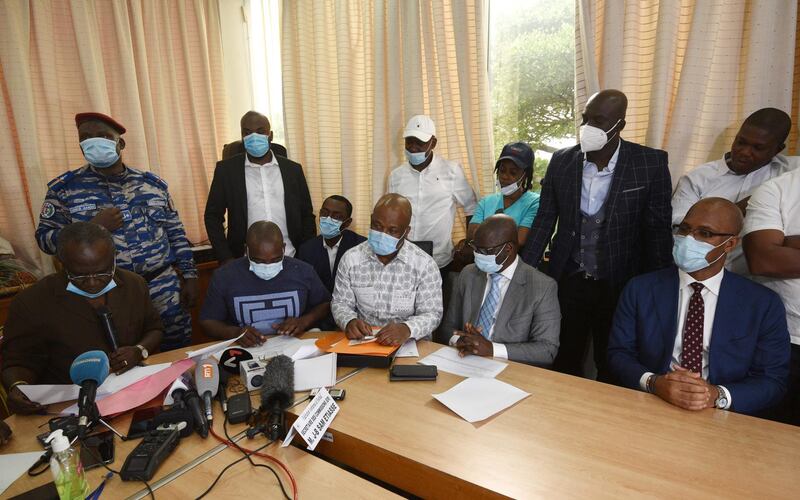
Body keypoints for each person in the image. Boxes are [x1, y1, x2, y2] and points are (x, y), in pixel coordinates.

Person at [521, 89, 673, 382]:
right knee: (564, 356)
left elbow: (657, 231)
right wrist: (525, 273)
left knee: (614, 360)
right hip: (568, 278)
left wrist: (659, 287)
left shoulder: (649, 164)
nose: (588, 127)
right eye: (585, 119)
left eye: (599, 120)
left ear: (619, 125)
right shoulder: (562, 161)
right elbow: (544, 220)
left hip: (621, 282)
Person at [609, 198, 789, 415]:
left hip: (722, 415)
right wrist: (655, 383)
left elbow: (772, 380)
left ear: (730, 244)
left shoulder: (762, 304)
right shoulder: (641, 288)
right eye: (684, 229)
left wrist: (715, 395)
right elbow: (619, 354)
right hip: (651, 404)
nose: (688, 239)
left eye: (704, 233)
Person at [35, 112, 196, 350]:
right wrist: (92, 227)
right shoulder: (64, 190)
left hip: (162, 287)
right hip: (106, 291)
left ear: (120, 143)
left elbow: (176, 234)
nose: (94, 141)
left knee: (176, 350)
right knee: (118, 356)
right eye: (86, 137)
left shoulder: (151, 185)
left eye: (103, 136)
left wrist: (190, 276)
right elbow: (44, 240)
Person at [3, 222, 163, 415]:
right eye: (79, 275)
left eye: (103, 272)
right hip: (70, 406)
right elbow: (18, 360)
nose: (93, 282)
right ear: (61, 263)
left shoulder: (134, 284)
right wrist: (18, 386)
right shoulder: (31, 302)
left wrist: (139, 350)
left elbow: (155, 329)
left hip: (134, 395)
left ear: (113, 259)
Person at [672, 108, 796, 274]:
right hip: (698, 275)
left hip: (754, 284)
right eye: (741, 142)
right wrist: (745, 206)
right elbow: (680, 225)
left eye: (758, 148)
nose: (744, 152)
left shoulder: (790, 175)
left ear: (778, 149)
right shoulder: (698, 178)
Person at [441, 215, 560, 366]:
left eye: (485, 251)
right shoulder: (468, 274)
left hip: (511, 370)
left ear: (508, 249)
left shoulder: (542, 287)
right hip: (464, 360)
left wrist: (492, 349)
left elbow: (546, 350)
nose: (477, 255)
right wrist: (461, 341)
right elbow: (447, 327)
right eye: (475, 248)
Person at [205, 111, 315, 264]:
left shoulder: (293, 170)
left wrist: (306, 254)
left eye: (260, 131)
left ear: (270, 135)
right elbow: (212, 216)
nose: (253, 136)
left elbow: (307, 215)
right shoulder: (226, 171)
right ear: (242, 136)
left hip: (291, 256)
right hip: (244, 261)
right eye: (247, 132)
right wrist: (225, 257)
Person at [332, 194, 443, 345]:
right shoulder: (351, 259)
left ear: (406, 231)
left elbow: (432, 313)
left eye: (392, 230)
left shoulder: (424, 265)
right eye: (377, 226)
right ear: (371, 219)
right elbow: (340, 303)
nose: (383, 234)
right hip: (363, 342)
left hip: (408, 343)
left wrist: (407, 329)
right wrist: (349, 320)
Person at [200, 222, 331, 347]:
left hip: (294, 346)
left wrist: (303, 321)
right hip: (245, 349)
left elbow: (325, 304)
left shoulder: (303, 271)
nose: (268, 266)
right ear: (247, 250)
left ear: (284, 248)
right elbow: (208, 321)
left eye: (276, 259)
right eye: (259, 261)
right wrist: (235, 333)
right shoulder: (225, 276)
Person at [742, 166, 800, 425]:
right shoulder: (778, 189)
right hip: (787, 340)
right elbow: (763, 259)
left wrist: (790, 243)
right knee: (768, 436)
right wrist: (776, 251)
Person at [386, 115, 477, 273]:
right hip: (403, 259)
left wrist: (470, 243)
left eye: (420, 143)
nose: (413, 148)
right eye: (409, 141)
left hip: (439, 261)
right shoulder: (396, 175)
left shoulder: (451, 171)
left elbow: (472, 207)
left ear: (432, 143)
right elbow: (390, 214)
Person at [297, 195, 366, 330]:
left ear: (347, 223)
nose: (328, 219)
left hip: (353, 319)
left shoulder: (361, 246)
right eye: (324, 213)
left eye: (336, 216)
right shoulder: (307, 249)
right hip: (318, 321)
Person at [464, 142, 540, 246]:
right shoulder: (486, 202)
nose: (505, 176)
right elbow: (471, 235)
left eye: (513, 173)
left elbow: (519, 241)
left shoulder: (534, 203)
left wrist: (484, 234)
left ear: (525, 176)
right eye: (502, 170)